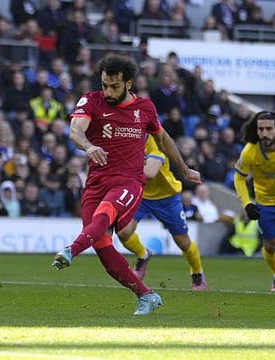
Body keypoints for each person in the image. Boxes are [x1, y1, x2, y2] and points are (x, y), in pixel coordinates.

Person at [51, 54, 202, 315]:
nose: (108, 92)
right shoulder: (91, 100)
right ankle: (146, 295)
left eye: (114, 86)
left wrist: (184, 168)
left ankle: (71, 249)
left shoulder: (145, 108)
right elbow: (76, 130)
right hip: (96, 183)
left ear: (128, 83)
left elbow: (163, 139)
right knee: (103, 249)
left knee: (103, 215)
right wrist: (88, 146)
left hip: (128, 181)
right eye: (105, 85)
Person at [117, 135, 207, 290]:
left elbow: (150, 173)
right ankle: (143, 254)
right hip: (141, 195)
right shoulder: (127, 140)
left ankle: (197, 272)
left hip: (167, 198)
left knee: (183, 243)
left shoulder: (156, 144)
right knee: (123, 232)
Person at [234, 110, 275, 292]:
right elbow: (239, 178)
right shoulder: (250, 151)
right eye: (261, 129)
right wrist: (247, 204)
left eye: (269, 129)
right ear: (256, 130)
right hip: (266, 202)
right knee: (270, 246)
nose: (264, 133)